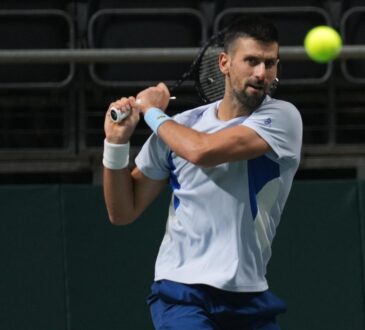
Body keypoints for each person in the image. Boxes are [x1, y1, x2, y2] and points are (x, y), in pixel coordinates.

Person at [102, 15, 303, 330]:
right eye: (251, 61)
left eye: (270, 63)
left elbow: (202, 151)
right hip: (182, 292)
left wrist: (153, 112)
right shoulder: (177, 129)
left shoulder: (282, 118)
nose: (262, 73)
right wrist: (115, 143)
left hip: (250, 296)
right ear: (224, 63)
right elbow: (122, 211)